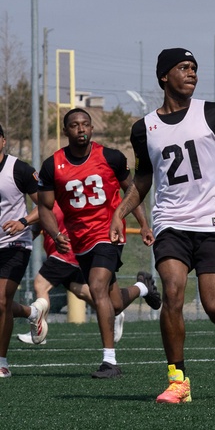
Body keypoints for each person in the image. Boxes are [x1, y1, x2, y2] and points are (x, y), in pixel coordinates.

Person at [110, 48, 215, 403]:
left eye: (194, 68)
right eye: (183, 67)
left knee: (213, 304)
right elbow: (144, 179)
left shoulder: (213, 113)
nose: (191, 73)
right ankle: (178, 380)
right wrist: (120, 211)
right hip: (171, 220)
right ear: (164, 76)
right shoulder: (144, 127)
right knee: (172, 293)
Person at [35, 108, 158, 377]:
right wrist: (56, 234)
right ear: (66, 131)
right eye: (75, 125)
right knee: (111, 304)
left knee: (97, 287)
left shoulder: (110, 157)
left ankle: (110, 361)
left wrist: (144, 224)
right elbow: (44, 207)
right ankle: (143, 287)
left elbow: (132, 191)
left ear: (91, 129)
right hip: (79, 239)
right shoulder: (52, 165)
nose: (81, 129)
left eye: (85, 124)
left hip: (109, 232)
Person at [17, 203, 161, 346]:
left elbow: (44, 208)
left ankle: (39, 330)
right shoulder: (49, 195)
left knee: (40, 284)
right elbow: (37, 226)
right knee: (85, 292)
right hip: (66, 252)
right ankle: (130, 298)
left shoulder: (55, 193)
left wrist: (22, 221)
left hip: (66, 252)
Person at [0, 124, 49, 378]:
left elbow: (45, 205)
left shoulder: (19, 169)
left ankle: (2, 363)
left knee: (1, 300)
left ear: (3, 141)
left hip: (15, 243)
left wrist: (23, 222)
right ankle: (32, 312)